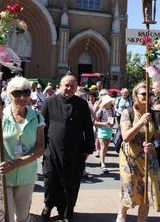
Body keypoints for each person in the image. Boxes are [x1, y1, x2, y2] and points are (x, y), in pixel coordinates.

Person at [0, 76, 45, 222]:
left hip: (25, 177)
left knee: (23, 218)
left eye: (26, 93)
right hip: (1, 177)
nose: (22, 97)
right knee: (4, 219)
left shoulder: (36, 117)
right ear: (10, 95)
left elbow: (40, 148)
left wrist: (16, 163)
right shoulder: (0, 115)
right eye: (17, 93)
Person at [40, 75, 94, 222]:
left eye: (72, 86)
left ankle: (66, 213)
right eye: (66, 85)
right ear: (60, 86)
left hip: (75, 151)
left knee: (70, 183)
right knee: (51, 180)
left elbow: (88, 127)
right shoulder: (50, 102)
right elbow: (42, 126)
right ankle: (48, 206)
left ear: (76, 88)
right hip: (52, 150)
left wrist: (89, 148)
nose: (69, 89)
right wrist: (41, 147)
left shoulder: (82, 104)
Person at [117, 81, 160, 222]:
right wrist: (140, 123)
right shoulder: (128, 112)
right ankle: (122, 214)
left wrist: (153, 145)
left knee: (146, 196)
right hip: (130, 159)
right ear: (136, 95)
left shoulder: (154, 114)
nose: (146, 96)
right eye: (143, 94)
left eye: (149, 94)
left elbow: (158, 139)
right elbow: (126, 137)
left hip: (149, 160)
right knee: (130, 193)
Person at [94, 95, 115, 174]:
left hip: (109, 129)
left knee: (106, 147)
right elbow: (95, 122)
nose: (110, 103)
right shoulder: (101, 111)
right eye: (109, 102)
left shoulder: (112, 110)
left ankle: (102, 160)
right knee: (102, 147)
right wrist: (104, 123)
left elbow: (114, 120)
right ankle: (103, 164)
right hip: (102, 129)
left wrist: (112, 124)